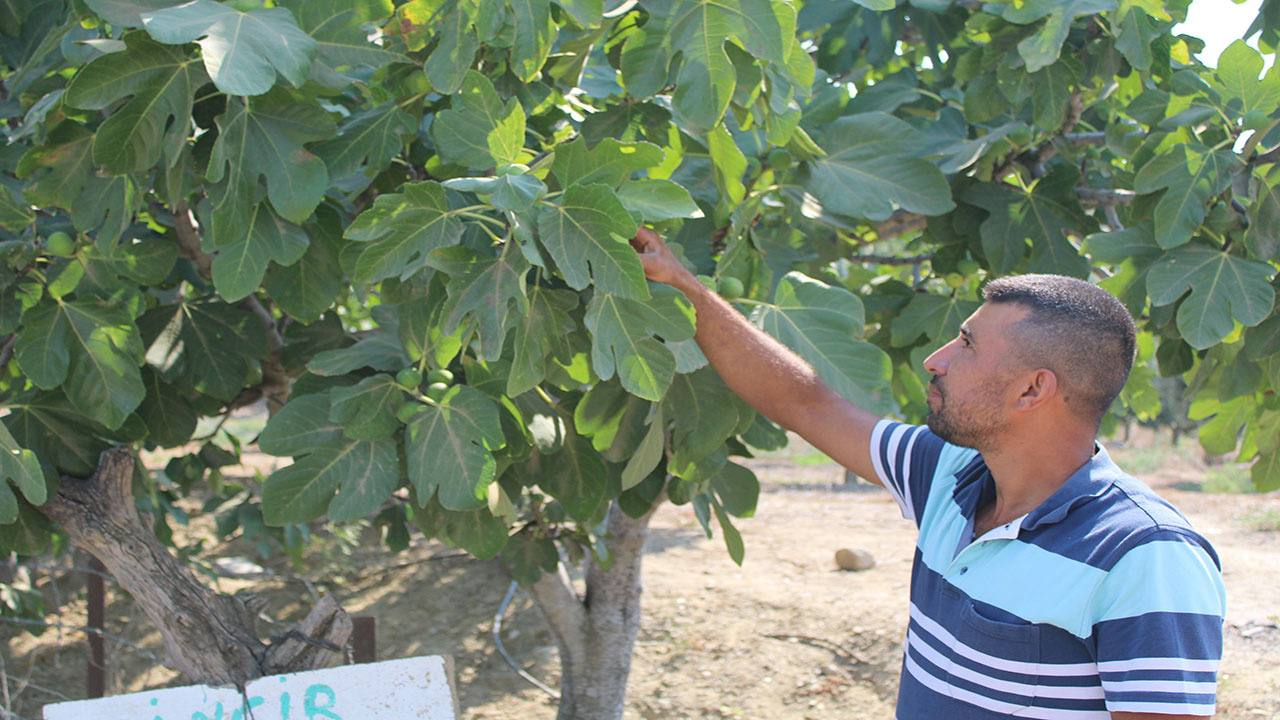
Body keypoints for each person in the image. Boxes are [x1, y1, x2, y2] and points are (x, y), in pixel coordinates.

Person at [630, 227, 1226, 720]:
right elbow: (807, 404)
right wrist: (683, 286)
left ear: (1032, 389)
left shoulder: (1148, 557)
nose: (935, 359)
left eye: (965, 346)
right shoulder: (947, 474)